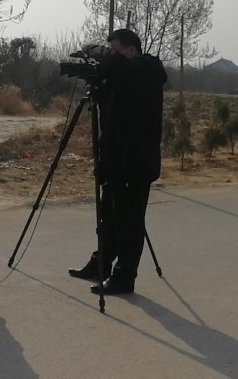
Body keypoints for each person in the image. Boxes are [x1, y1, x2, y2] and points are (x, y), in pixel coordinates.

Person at [67, 28, 167, 295]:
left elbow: (117, 64)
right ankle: (100, 264)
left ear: (131, 50)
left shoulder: (147, 69)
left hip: (136, 161)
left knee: (130, 222)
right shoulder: (120, 78)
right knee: (109, 217)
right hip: (115, 158)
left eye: (115, 51)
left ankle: (124, 277)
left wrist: (91, 48)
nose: (110, 58)